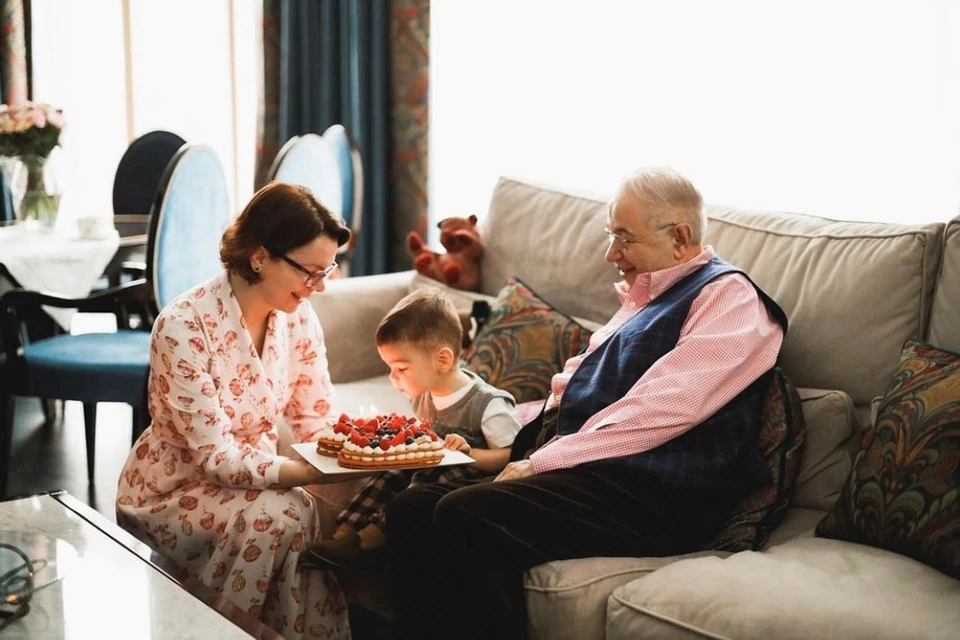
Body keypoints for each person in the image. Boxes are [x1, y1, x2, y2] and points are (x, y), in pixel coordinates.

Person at [385, 167, 789, 640]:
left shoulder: (731, 299)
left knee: (466, 514)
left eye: (624, 238)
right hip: (597, 472)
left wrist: (541, 462)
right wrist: (497, 427)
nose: (610, 254)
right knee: (412, 508)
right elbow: (572, 395)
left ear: (680, 237)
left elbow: (666, 407)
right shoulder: (641, 301)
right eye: (609, 235)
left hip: (659, 494)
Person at [116, 182, 355, 640]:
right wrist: (306, 474)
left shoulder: (298, 316)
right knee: (283, 515)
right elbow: (215, 458)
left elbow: (315, 418)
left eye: (327, 272)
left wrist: (360, 454)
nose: (319, 287)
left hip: (257, 480)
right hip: (175, 488)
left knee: (295, 510)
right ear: (260, 256)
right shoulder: (184, 326)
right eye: (310, 272)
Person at [301, 289, 522, 569]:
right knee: (391, 472)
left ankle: (369, 539)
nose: (393, 378)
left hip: (470, 479)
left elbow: (513, 455)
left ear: (442, 360)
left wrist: (470, 453)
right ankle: (344, 535)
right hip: (434, 464)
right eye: (390, 369)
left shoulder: (489, 403)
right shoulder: (423, 396)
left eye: (401, 369)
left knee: (426, 476)